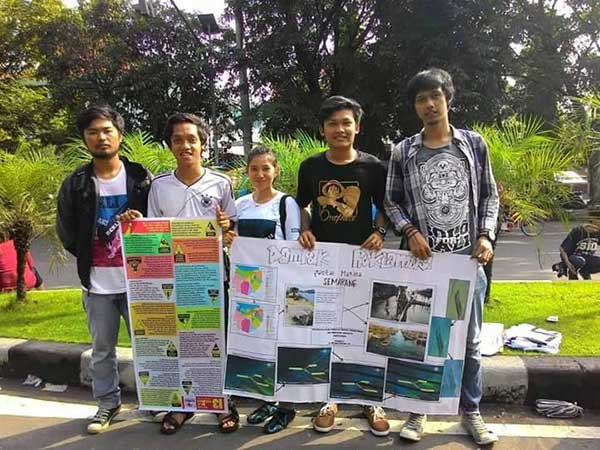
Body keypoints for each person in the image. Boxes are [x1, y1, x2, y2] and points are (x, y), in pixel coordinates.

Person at [385, 68, 499, 446]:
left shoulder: (473, 144)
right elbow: (391, 201)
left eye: (435, 96)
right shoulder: (404, 151)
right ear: (415, 106)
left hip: (464, 265)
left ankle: (472, 412)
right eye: (422, 99)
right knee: (423, 339)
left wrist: (485, 235)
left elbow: (490, 195)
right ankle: (418, 410)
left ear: (448, 99)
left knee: (467, 342)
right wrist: (410, 232)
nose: (429, 104)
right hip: (424, 268)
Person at [119, 112, 237, 435]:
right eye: (178, 140)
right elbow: (152, 231)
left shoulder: (221, 183)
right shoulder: (159, 185)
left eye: (191, 139)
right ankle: (182, 406)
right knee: (179, 343)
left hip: (211, 279)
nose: (185, 145)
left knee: (215, 342)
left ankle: (222, 403)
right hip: (172, 280)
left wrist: (227, 226)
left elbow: (232, 231)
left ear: (203, 144)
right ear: (170, 145)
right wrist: (134, 224)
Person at [296, 96, 390, 437]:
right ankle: (330, 398)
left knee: (366, 328)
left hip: (364, 261)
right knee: (329, 329)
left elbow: (385, 207)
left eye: (346, 122)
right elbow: (303, 204)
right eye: (333, 123)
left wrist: (379, 232)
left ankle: (370, 398)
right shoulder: (310, 167)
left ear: (357, 127)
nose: (340, 129)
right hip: (323, 263)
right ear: (323, 130)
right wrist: (304, 229)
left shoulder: (373, 167)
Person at [56, 105, 152, 434]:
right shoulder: (76, 184)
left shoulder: (140, 178)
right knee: (102, 351)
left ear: (120, 135)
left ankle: (156, 400)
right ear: (85, 138)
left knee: (149, 346)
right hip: (97, 284)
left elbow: (159, 220)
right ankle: (108, 404)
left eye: (107, 130)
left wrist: (142, 224)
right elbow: (67, 232)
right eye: (93, 132)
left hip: (140, 282)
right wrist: (91, 255)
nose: (101, 137)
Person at [223, 145, 301, 434]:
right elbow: (231, 240)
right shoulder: (240, 204)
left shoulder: (287, 204)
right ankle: (268, 400)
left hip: (279, 287)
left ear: (276, 171)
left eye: (266, 168)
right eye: (254, 169)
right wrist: (229, 238)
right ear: (247, 172)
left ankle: (286, 407)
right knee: (259, 347)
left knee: (282, 346)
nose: (260, 174)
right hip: (249, 289)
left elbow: (293, 247)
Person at [557, 213, 600, 280]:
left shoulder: (598, 233)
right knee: (579, 261)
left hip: (588, 258)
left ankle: (585, 272)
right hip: (573, 258)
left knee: (586, 261)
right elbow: (562, 249)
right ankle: (571, 273)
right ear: (593, 220)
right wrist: (568, 264)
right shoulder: (578, 231)